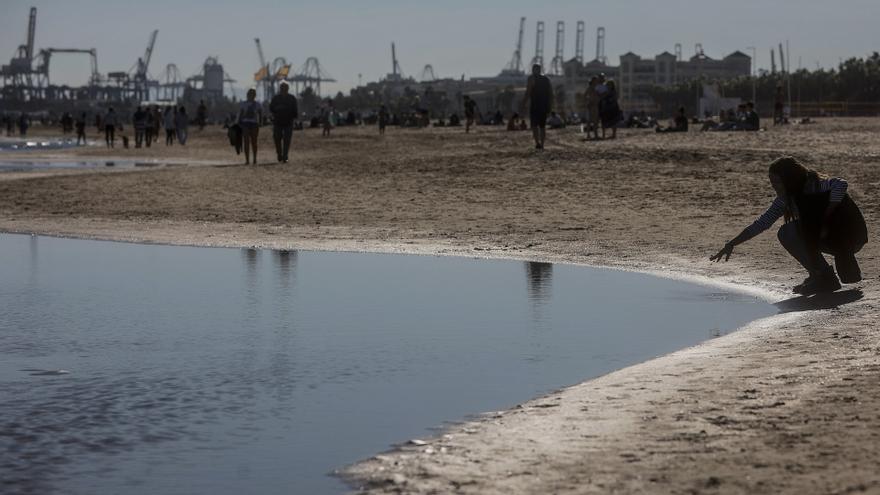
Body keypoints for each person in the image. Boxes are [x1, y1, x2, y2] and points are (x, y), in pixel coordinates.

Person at [711, 156, 867, 295]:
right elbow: (761, 223)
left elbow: (841, 183)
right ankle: (822, 276)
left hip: (850, 237)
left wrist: (828, 213)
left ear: (790, 179)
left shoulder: (814, 185)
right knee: (786, 232)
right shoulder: (784, 200)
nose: (774, 186)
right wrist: (732, 243)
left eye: (777, 182)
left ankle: (823, 277)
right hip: (826, 237)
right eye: (772, 182)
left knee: (790, 231)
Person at [521, 64, 553, 149]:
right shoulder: (546, 79)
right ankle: (542, 144)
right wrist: (550, 105)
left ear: (534, 70)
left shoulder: (531, 78)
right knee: (542, 126)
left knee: (535, 125)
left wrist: (523, 103)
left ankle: (537, 143)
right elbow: (550, 94)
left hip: (535, 105)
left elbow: (528, 91)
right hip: (544, 105)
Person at [269, 81, 298, 163]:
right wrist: (277, 109)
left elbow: (295, 110)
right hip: (278, 122)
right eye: (282, 88)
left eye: (285, 88)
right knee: (277, 139)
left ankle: (285, 156)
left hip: (288, 122)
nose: (284, 89)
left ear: (288, 89)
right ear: (280, 89)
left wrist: (293, 117)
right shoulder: (276, 98)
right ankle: (279, 153)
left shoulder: (292, 98)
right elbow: (271, 108)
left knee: (287, 140)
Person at [238, 88, 262, 164]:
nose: (251, 95)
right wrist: (239, 122)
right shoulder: (243, 104)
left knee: (254, 142)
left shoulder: (257, 104)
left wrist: (260, 122)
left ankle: (254, 158)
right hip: (245, 123)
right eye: (250, 94)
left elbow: (260, 114)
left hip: (254, 124)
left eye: (252, 94)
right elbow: (241, 114)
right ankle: (247, 160)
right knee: (246, 142)